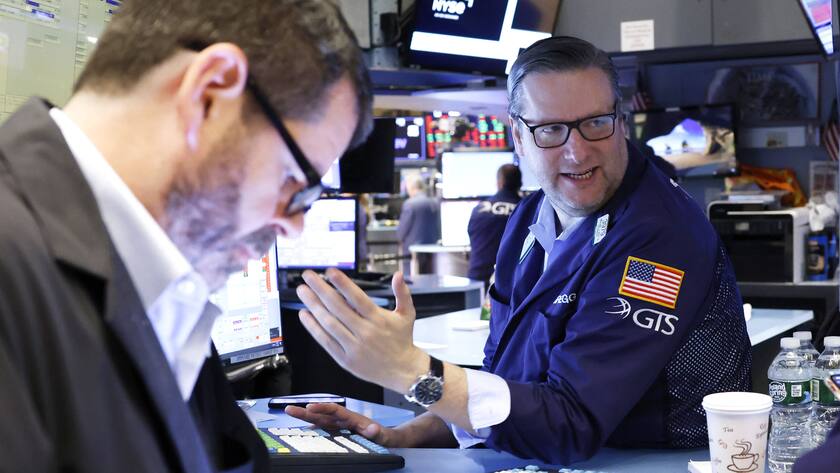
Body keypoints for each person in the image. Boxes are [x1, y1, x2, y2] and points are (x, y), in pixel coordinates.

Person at [288, 36, 752, 465]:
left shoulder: (659, 233)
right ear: (518, 136)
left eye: (595, 123)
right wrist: (401, 436)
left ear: (621, 120)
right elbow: (506, 394)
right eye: (550, 130)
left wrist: (412, 371)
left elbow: (570, 422)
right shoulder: (528, 221)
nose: (578, 153)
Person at [0, 1, 371, 471]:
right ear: (210, 93)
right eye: (295, 185)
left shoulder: (160, 294)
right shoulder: (15, 265)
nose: (293, 226)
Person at [467, 163, 522, 286]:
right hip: (511, 282)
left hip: (478, 279)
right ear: (520, 183)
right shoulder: (527, 210)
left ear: (500, 182)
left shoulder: (479, 208)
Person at [396, 175, 441, 273]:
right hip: (432, 249)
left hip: (412, 252)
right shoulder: (434, 202)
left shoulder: (409, 204)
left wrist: (399, 238)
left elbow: (402, 230)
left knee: (412, 281)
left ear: (412, 188)